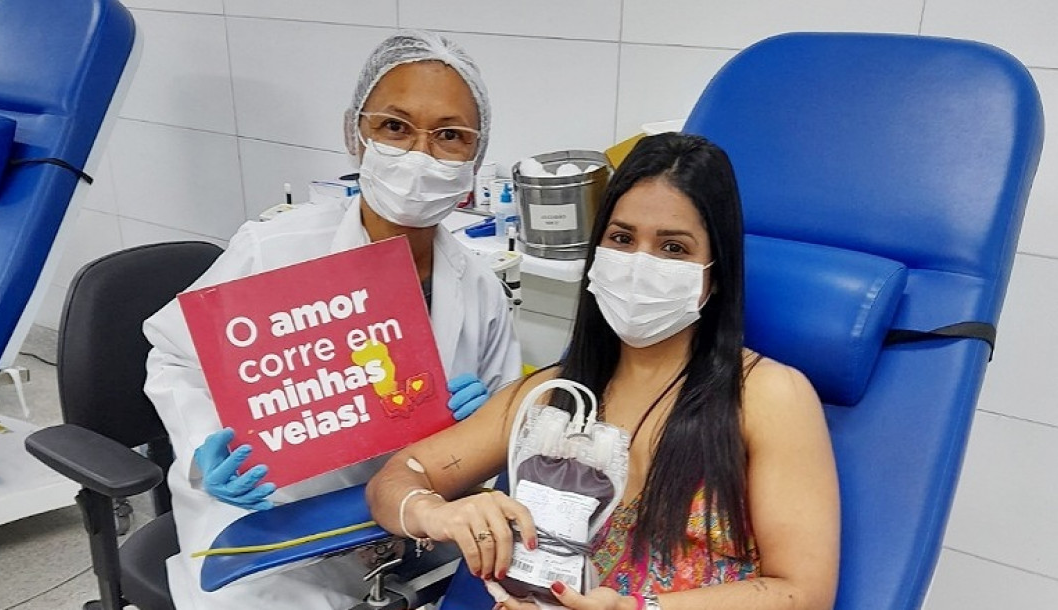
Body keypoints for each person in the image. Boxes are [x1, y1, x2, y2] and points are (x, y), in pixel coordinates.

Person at [367, 133, 840, 609]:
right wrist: (433, 514)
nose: (639, 264)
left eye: (673, 248)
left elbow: (803, 592)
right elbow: (396, 479)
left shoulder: (768, 396)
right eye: (622, 238)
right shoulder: (554, 395)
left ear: (713, 274)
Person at [143, 30, 521, 609]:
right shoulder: (273, 251)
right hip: (273, 530)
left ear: (474, 159)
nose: (419, 154)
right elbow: (172, 356)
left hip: (411, 530)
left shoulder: (479, 287)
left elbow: (503, 422)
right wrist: (202, 446)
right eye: (394, 127)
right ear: (356, 133)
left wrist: (482, 430)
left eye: (449, 136)